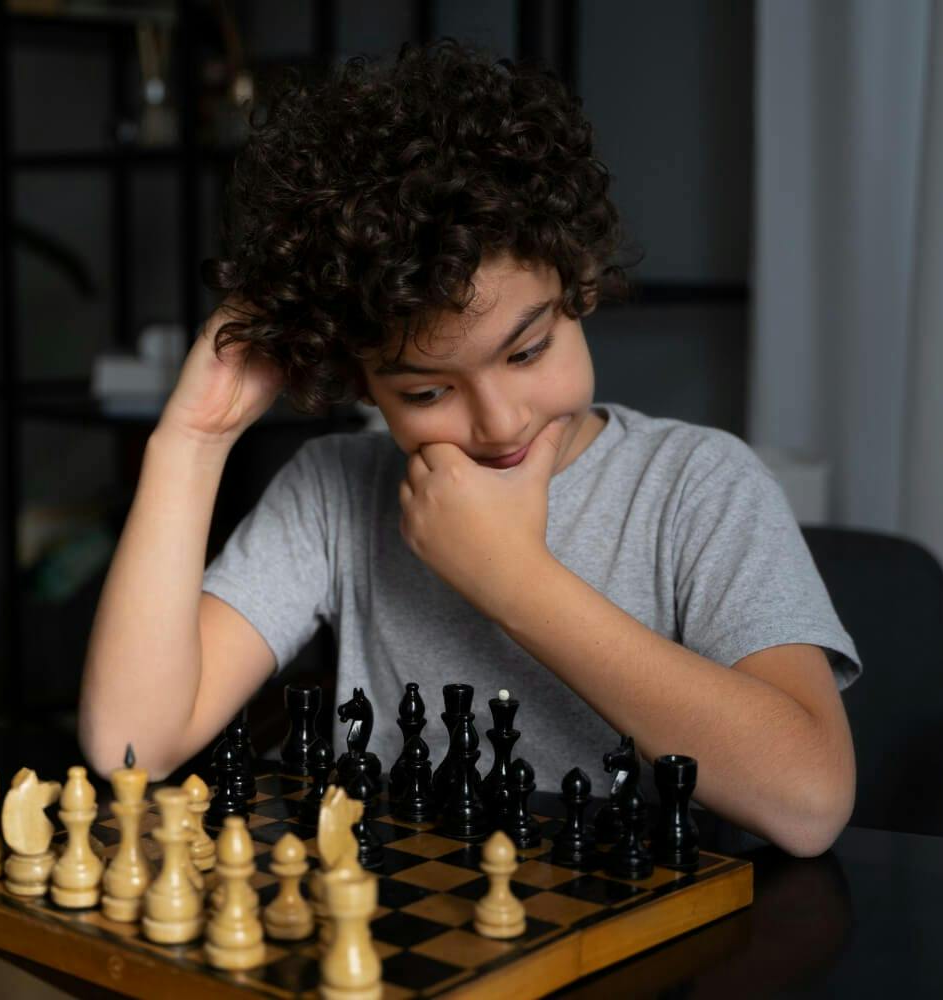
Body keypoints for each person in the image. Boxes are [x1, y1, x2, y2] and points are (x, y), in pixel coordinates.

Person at [79, 41, 859, 857]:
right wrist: (193, 442)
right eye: (425, 392)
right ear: (362, 384)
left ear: (581, 285)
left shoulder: (700, 485)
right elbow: (133, 745)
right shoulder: (335, 489)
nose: (498, 422)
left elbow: (809, 802)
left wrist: (513, 579)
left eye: (527, 352)